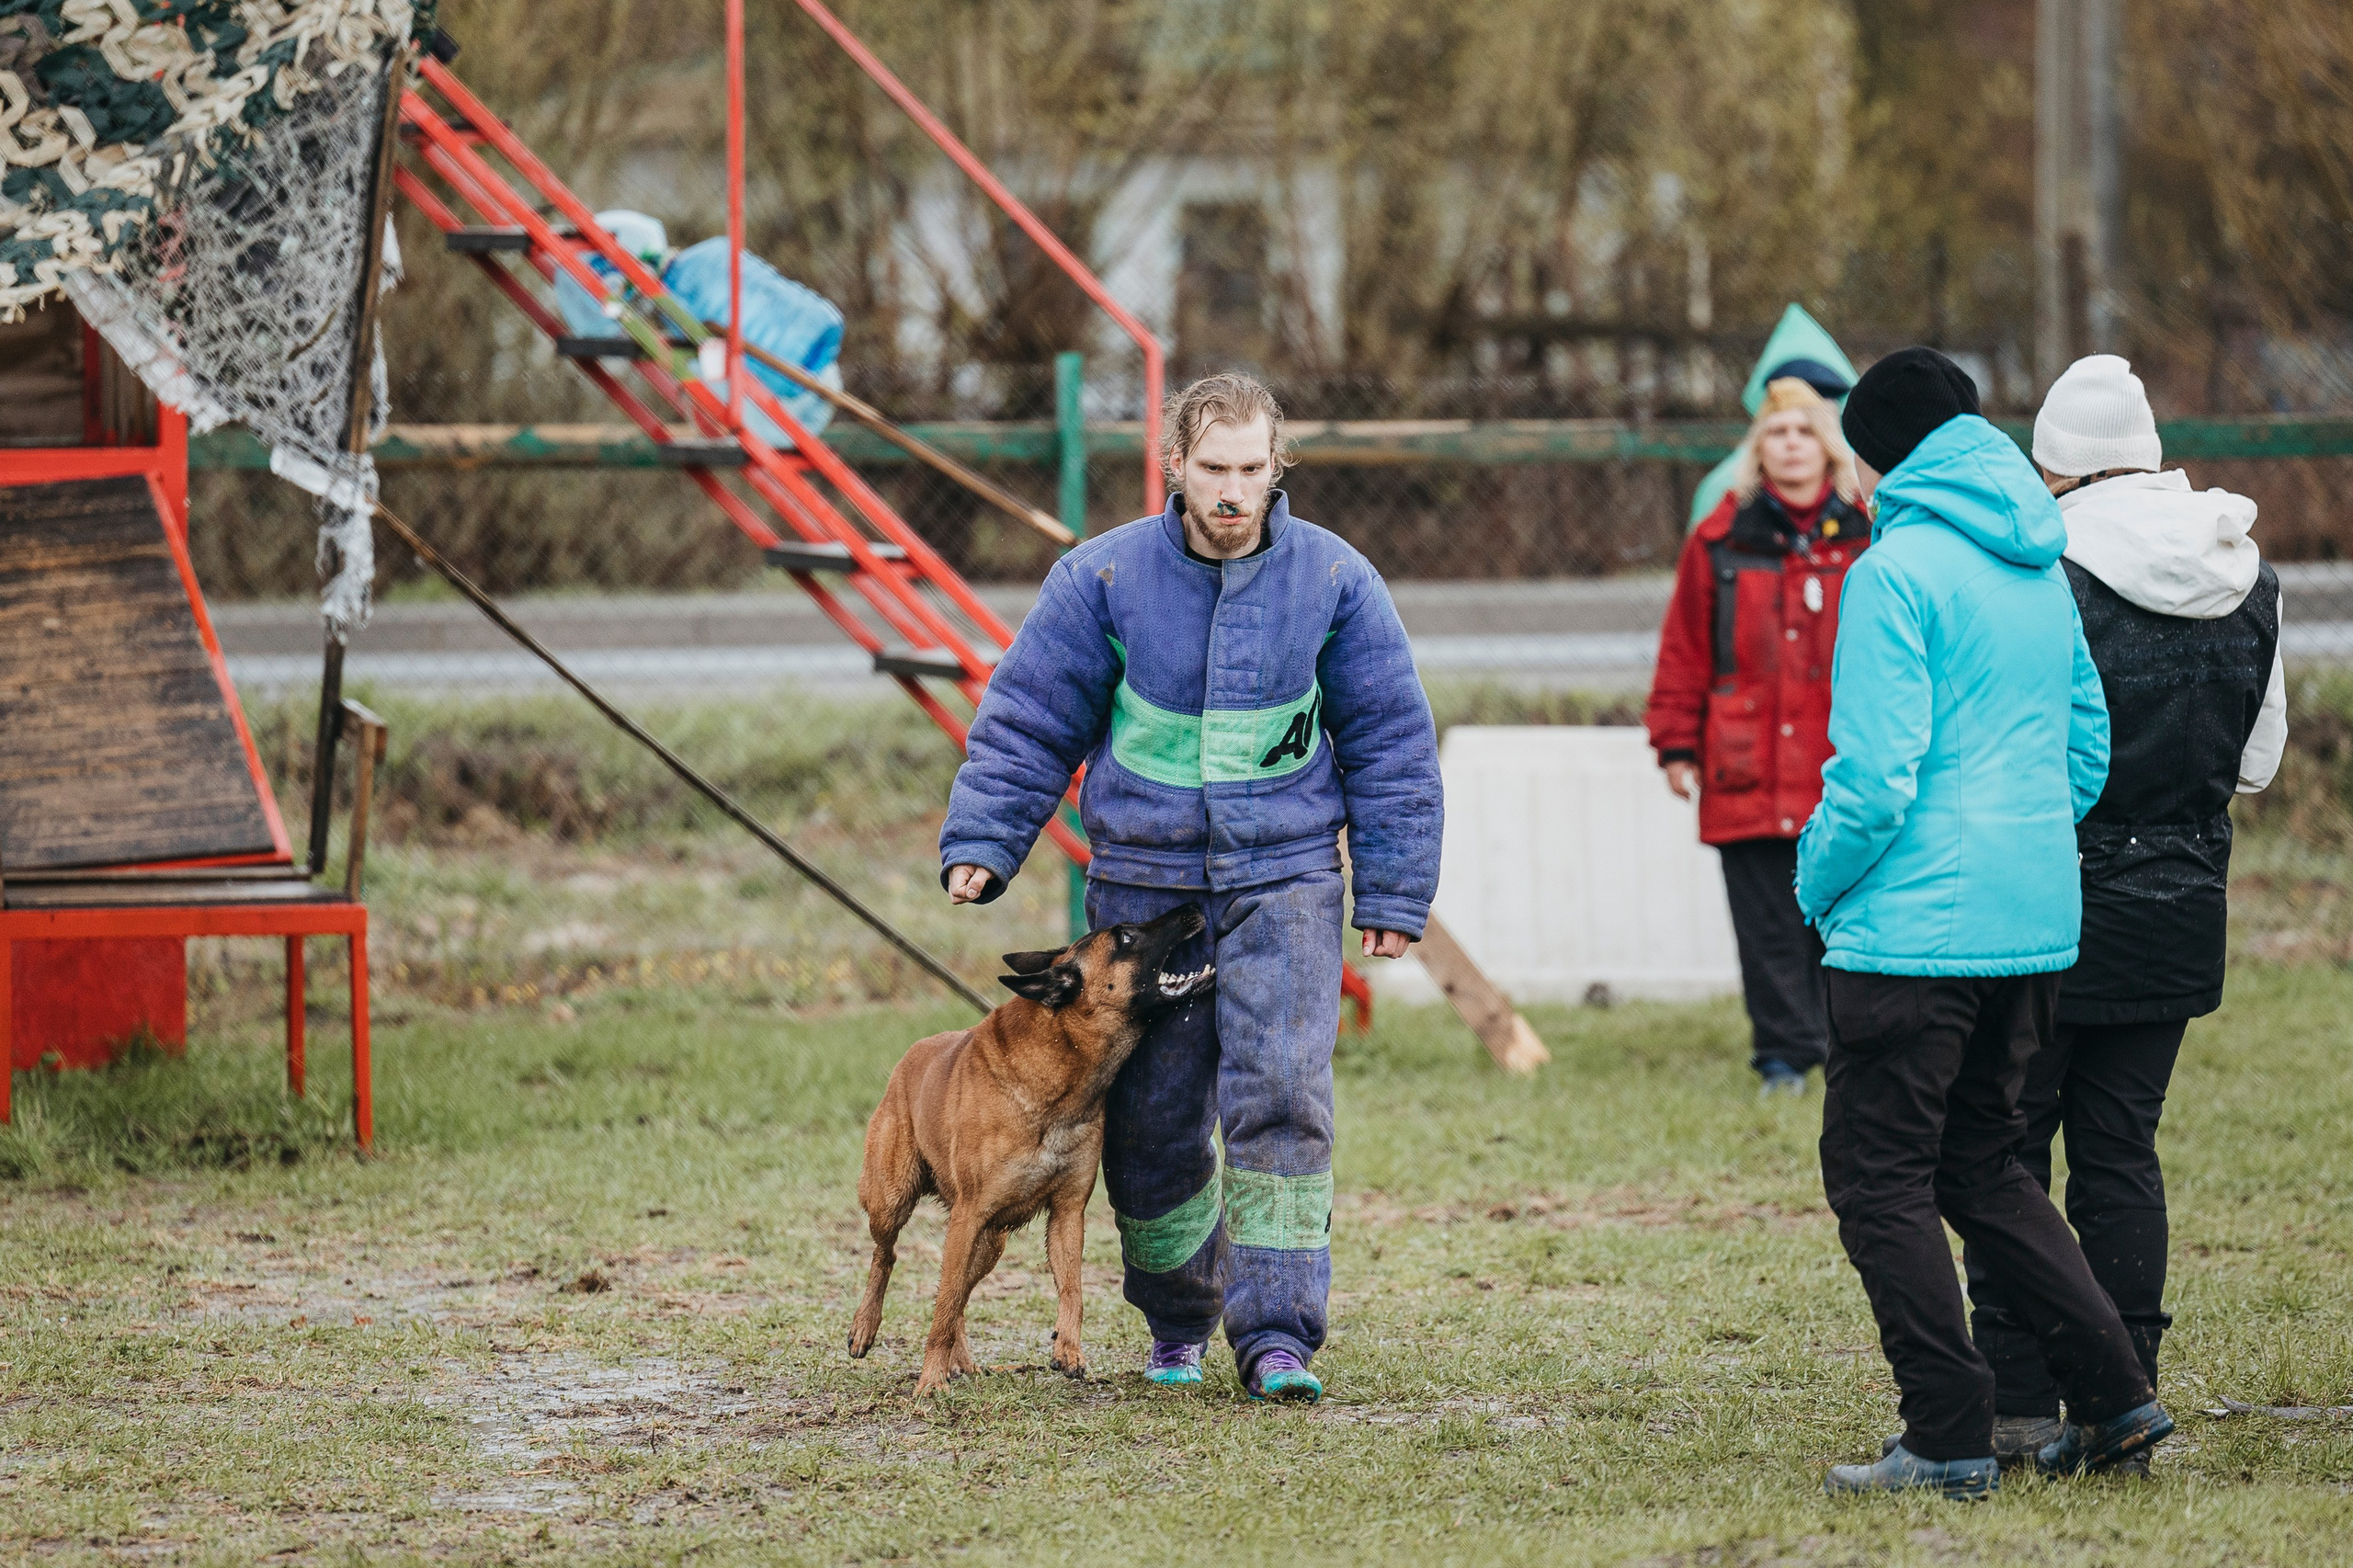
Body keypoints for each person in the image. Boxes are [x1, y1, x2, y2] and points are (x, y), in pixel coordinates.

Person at [937, 371, 1443, 1403]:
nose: (1231, 491)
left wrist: (1390, 890)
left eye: (1252, 470)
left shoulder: (1337, 582)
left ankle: (1276, 1336)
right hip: (1145, 891)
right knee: (1154, 1120)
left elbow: (1391, 742)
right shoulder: (1101, 579)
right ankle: (1177, 1318)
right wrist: (986, 837)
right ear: (1174, 463)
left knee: (1283, 1101)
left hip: (1287, 878)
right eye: (1213, 468)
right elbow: (1030, 715)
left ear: (1276, 466)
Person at [1795, 347, 2174, 1498]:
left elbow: (1872, 779)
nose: (1857, 484)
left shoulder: (1893, 572)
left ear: (1889, 456)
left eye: (1862, 459)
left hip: (1908, 936)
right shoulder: (2037, 565)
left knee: (1878, 1176)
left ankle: (1949, 1432)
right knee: (1989, 1167)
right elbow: (2086, 753)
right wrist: (2010, 844)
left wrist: (1817, 884)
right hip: (2032, 921)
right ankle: (2114, 1398)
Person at [1962, 355, 2284, 1471]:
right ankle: (2123, 1403)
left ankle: (2014, 1397)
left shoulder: (2046, 566)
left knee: (2008, 1146)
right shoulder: (2247, 570)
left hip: (2050, 895)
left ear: (2053, 460)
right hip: (2184, 895)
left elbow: (2021, 742)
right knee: (2121, 1151)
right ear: (2146, 449)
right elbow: (2257, 762)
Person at [1647, 378, 1870, 1096]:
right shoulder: (1719, 541)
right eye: (1778, 433)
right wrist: (1677, 744)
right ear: (1758, 449)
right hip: (1747, 764)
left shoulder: (1869, 534)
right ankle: (1782, 1058)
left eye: (1806, 432)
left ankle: (1848, 1053)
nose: (1792, 445)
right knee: (1766, 921)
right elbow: (1684, 646)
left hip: (1842, 765)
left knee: (1841, 919)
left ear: (1828, 447)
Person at [1687, 302, 1859, 526]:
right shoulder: (1723, 489)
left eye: (1824, 397)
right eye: (1779, 430)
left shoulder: (1865, 483)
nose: (1793, 442)